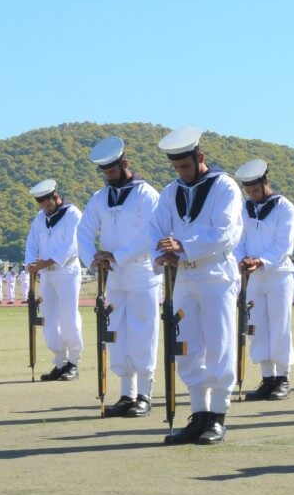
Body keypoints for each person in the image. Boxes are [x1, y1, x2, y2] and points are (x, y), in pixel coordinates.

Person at [150, 126, 243, 444]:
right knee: (187, 346)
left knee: (219, 345)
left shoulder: (224, 187)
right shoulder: (169, 192)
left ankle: (217, 415)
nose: (181, 173)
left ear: (200, 157)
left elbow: (226, 233)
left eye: (186, 166)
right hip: (185, 278)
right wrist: (162, 252)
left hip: (216, 275)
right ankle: (199, 413)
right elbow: (155, 228)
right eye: (176, 167)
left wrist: (183, 245)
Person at [81, 136, 162, 417]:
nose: (108, 177)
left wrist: (118, 255)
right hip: (112, 275)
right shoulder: (99, 198)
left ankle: (144, 394)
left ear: (125, 163)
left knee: (142, 332)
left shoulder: (146, 194)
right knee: (115, 333)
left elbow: (151, 233)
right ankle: (126, 393)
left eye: (112, 171)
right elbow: (84, 231)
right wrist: (93, 258)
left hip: (140, 270)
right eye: (104, 172)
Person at [233, 158, 294, 400]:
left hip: (278, 273)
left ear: (265, 182)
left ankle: (282, 377)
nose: (252, 195)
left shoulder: (285, 208)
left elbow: (284, 245)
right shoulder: (243, 209)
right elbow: (238, 240)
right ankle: (267, 377)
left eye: (255, 190)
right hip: (254, 276)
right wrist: (241, 259)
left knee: (280, 325)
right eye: (248, 191)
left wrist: (260, 261)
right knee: (257, 326)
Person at [23, 178, 84, 382]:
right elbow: (32, 242)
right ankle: (59, 362)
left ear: (56, 196)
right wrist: (31, 264)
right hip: (46, 273)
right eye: (41, 204)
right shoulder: (40, 218)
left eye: (48, 203)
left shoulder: (73, 214)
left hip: (66, 271)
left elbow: (71, 244)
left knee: (68, 316)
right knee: (50, 318)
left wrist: (47, 261)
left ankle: (73, 362)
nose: (45, 207)